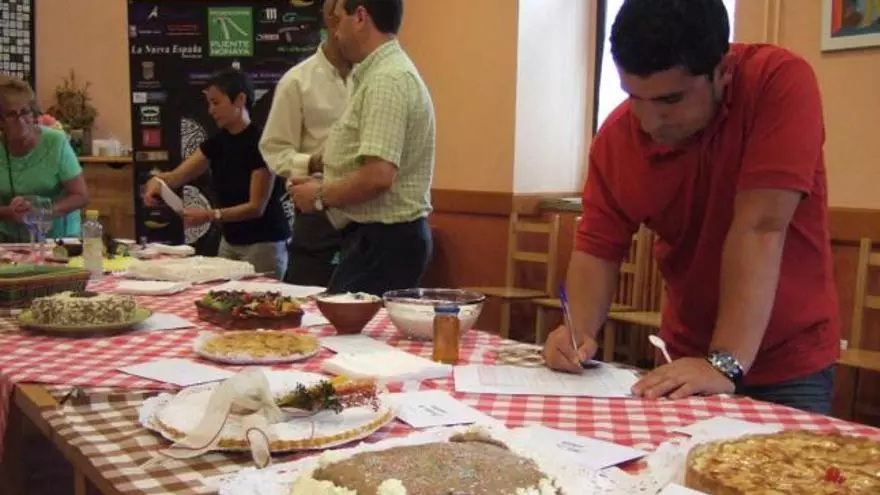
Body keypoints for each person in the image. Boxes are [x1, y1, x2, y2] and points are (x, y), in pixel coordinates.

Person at [542, 0, 839, 415]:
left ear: (723, 71)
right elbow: (597, 249)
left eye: (671, 99)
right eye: (633, 97)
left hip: (787, 362)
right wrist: (577, 332)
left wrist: (724, 363)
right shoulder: (617, 138)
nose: (649, 121)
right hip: (683, 357)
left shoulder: (777, 82)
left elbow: (761, 227)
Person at [289, 0, 436, 296]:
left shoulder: (386, 80)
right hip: (377, 239)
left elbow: (378, 176)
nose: (335, 32)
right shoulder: (379, 74)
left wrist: (319, 195)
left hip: (385, 241)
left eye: (338, 19)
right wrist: (329, 177)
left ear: (359, 17)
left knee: (344, 323)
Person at [143, 69, 290, 279]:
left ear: (240, 100)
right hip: (230, 241)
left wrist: (209, 215)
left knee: (259, 298)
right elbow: (176, 177)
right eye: (209, 104)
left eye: (216, 102)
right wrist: (156, 182)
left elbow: (255, 207)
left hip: (263, 244)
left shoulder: (261, 143)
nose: (211, 110)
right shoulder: (217, 143)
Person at [260, 0, 350, 286]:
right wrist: (313, 162)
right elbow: (273, 149)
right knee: (305, 301)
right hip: (317, 214)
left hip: (368, 216)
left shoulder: (377, 79)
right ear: (332, 20)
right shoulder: (297, 82)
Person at [0, 75, 89, 242]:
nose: (21, 120)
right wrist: (10, 213)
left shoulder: (55, 141)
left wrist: (43, 213)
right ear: (1, 121)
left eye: (25, 112)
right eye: (11, 114)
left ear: (33, 113)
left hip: (58, 241)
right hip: (8, 241)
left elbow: (81, 196)